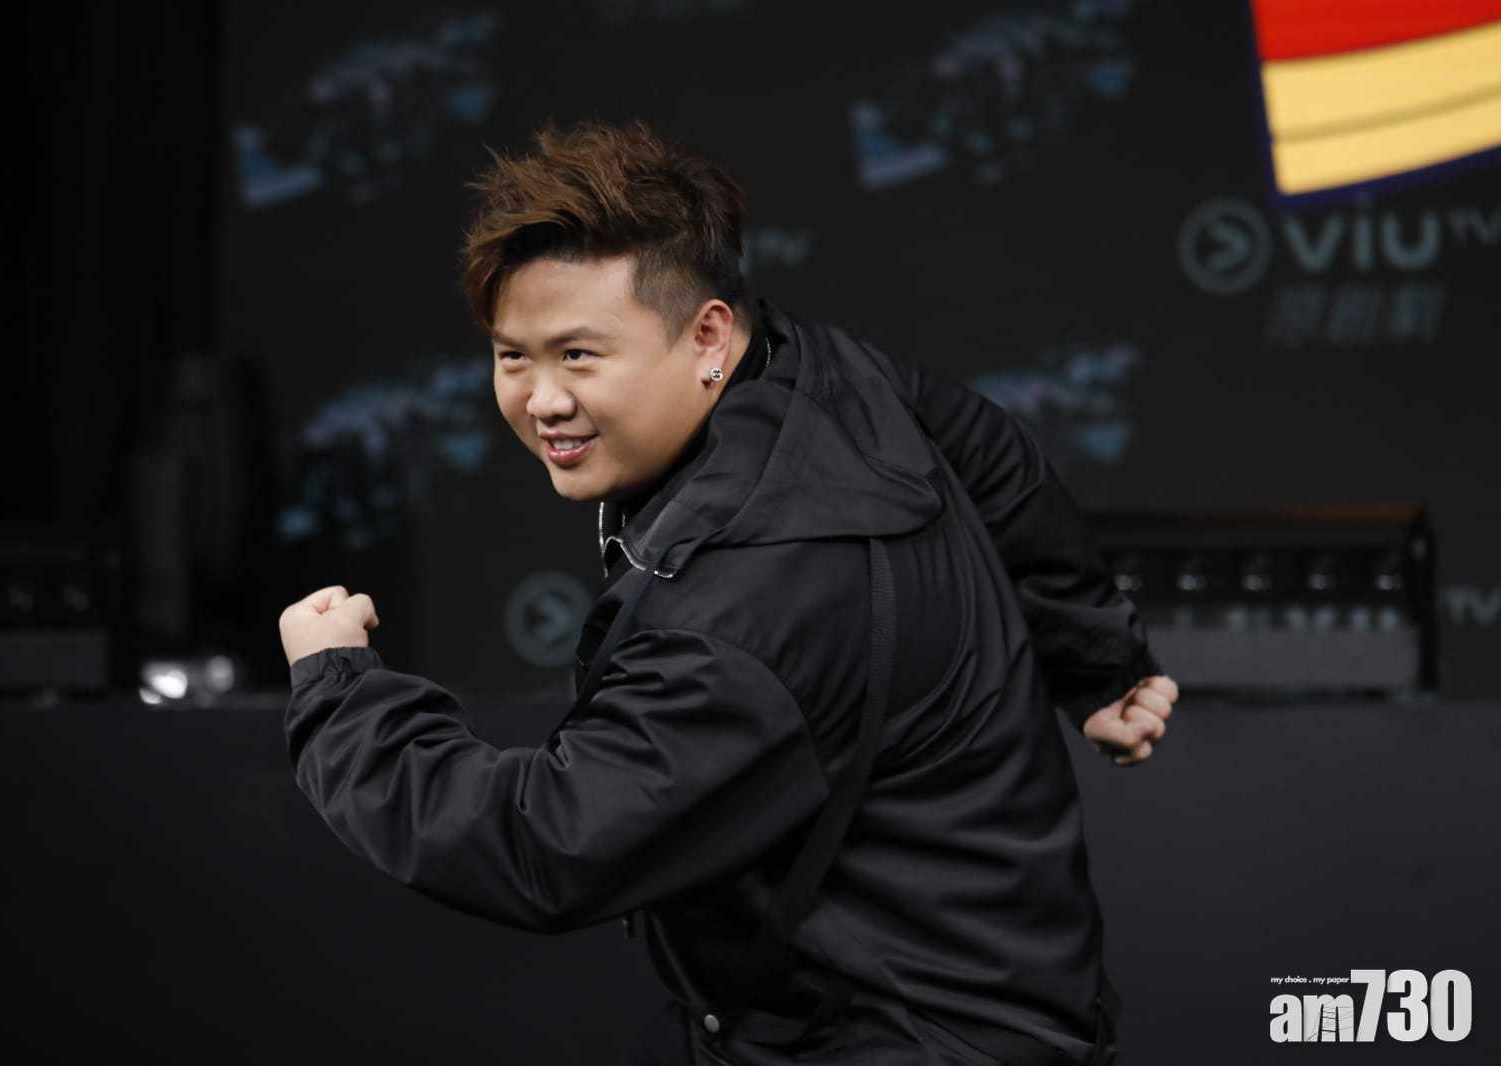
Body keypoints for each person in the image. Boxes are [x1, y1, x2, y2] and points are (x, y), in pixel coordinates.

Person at [278, 119, 1177, 1066]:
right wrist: (1096, 659)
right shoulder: (812, 366)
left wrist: (339, 692)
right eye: (513, 356)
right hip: (997, 1009)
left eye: (578, 355)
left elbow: (546, 846)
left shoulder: (745, 605)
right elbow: (993, 453)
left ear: (707, 333)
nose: (542, 400)